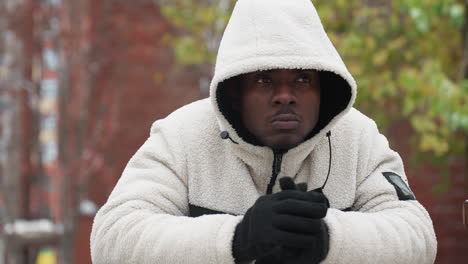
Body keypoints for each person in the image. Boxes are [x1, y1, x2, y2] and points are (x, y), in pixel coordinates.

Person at [90, 0, 437, 263]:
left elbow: (417, 235)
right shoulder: (182, 136)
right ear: (235, 91)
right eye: (263, 79)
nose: (285, 96)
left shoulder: (357, 137)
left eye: (303, 79)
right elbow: (112, 237)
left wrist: (328, 238)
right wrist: (238, 238)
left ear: (325, 89)